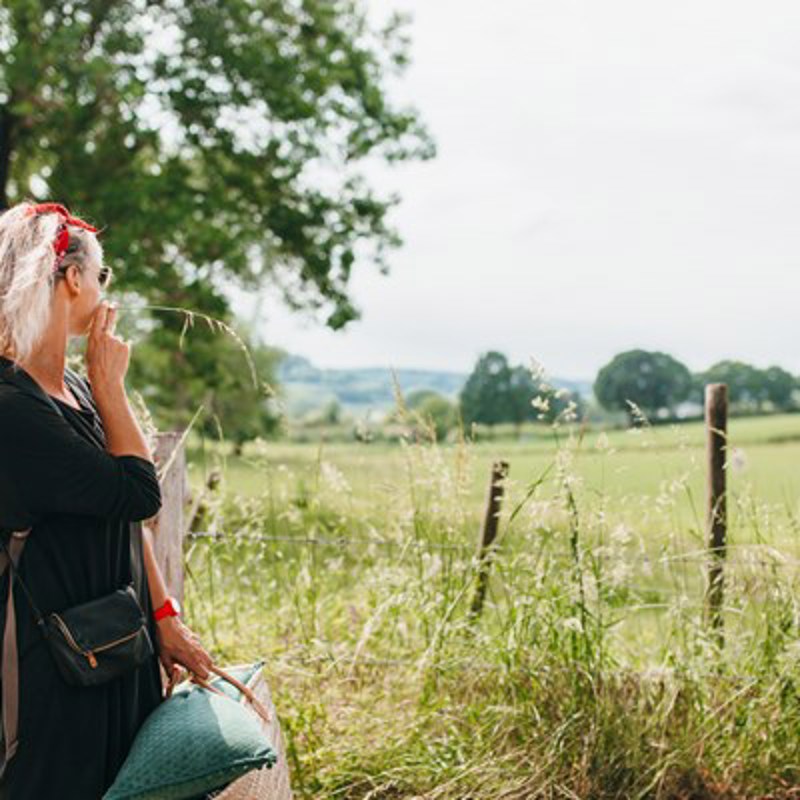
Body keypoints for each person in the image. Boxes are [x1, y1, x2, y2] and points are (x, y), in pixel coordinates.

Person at [0, 201, 215, 799]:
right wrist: (112, 387)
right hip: (55, 666)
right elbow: (140, 493)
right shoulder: (12, 408)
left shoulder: (69, 386)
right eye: (102, 274)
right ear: (72, 279)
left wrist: (165, 617)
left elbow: (124, 519)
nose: (103, 288)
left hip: (118, 646)